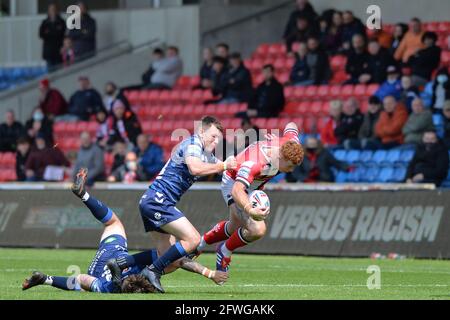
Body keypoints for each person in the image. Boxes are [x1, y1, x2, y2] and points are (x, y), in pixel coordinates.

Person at [22, 168, 227, 293]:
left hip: (114, 256)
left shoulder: (142, 273)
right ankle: (45, 279)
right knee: (170, 259)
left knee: (113, 223)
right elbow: (82, 279)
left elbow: (179, 260)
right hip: (101, 267)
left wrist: (209, 273)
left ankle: (84, 195)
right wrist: (49, 280)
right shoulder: (110, 288)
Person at [107, 116, 238, 293]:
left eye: (218, 139)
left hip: (152, 201)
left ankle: (120, 263)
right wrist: (223, 165)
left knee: (170, 261)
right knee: (192, 239)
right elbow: (196, 168)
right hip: (159, 201)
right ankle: (152, 271)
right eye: (213, 136)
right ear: (201, 131)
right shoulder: (193, 144)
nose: (215, 142)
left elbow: (226, 167)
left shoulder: (203, 153)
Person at [195, 122, 303, 276]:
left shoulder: (290, 145)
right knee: (257, 229)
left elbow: (292, 125)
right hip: (233, 182)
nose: (291, 170)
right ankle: (224, 250)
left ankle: (200, 245)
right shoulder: (254, 162)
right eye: (290, 166)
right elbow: (237, 190)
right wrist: (250, 210)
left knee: (233, 227)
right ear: (280, 156)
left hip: (255, 184)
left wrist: (279, 140)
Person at [39, 3, 66, 71]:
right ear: (48, 11)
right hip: (48, 52)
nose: (52, 11)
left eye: (54, 9)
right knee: (50, 71)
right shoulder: (45, 22)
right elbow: (41, 35)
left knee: (59, 71)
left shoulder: (61, 22)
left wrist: (49, 32)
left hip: (59, 51)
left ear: (57, 11)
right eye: (51, 10)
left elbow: (63, 34)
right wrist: (54, 32)